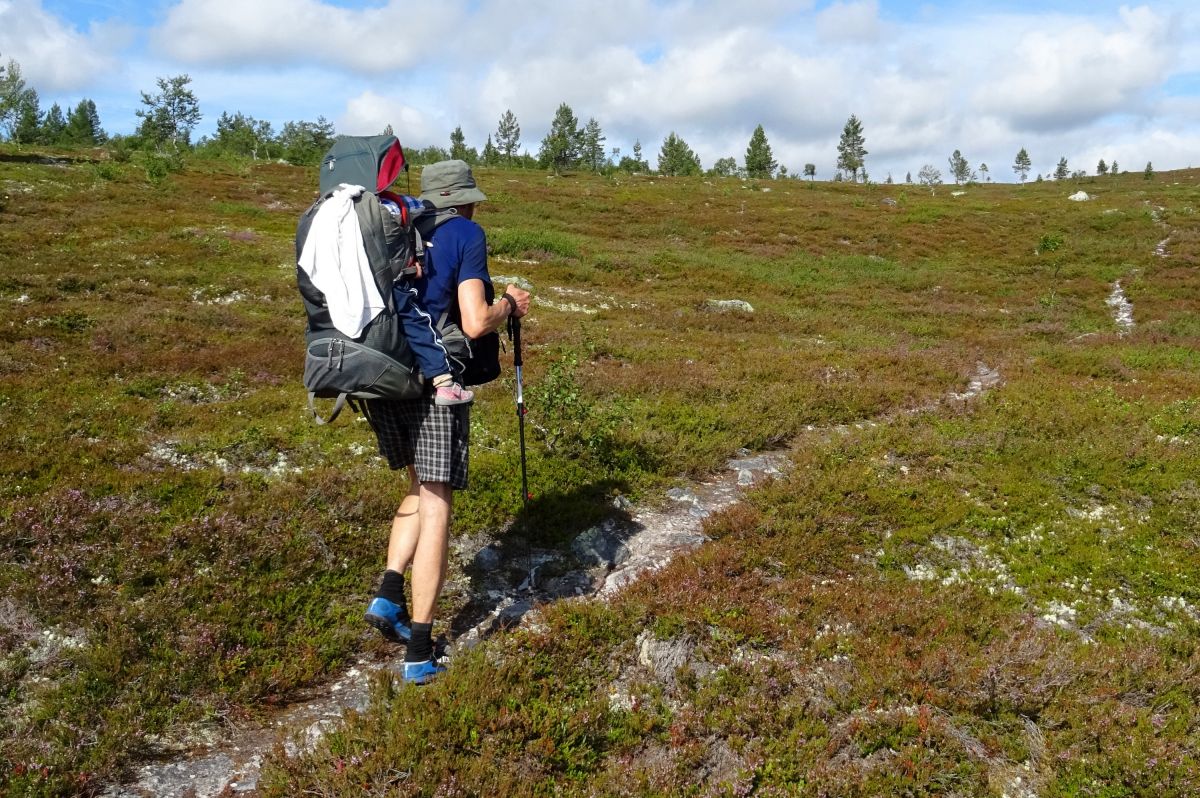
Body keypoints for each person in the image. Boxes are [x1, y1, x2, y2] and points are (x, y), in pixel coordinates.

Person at [361, 160, 531, 684]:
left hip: (384, 375)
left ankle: (389, 594)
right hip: (437, 383)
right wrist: (510, 303)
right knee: (437, 501)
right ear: (464, 200)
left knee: (417, 482)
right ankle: (418, 649)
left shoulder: (394, 230)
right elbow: (476, 321)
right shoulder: (466, 233)